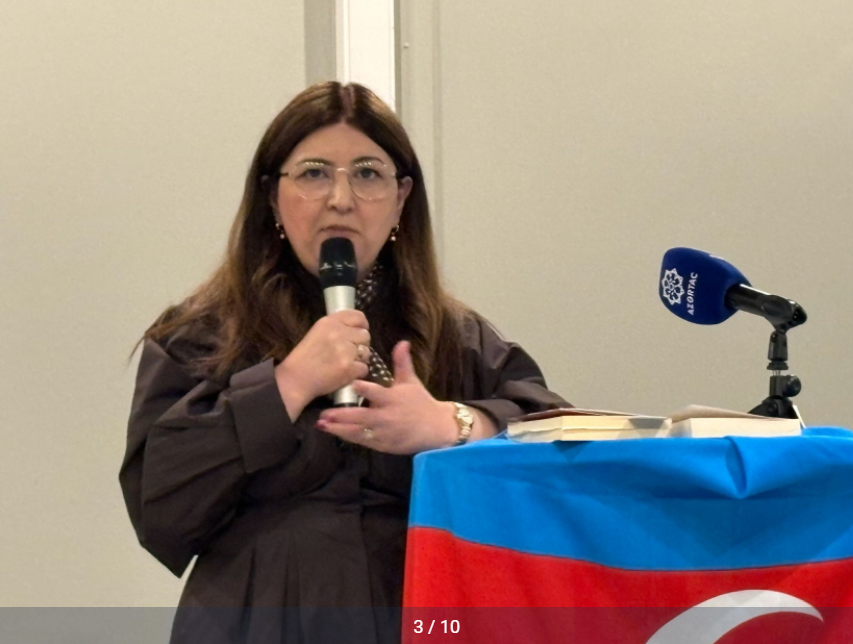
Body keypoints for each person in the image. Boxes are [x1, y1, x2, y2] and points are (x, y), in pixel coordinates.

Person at [120, 81, 570, 644]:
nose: (341, 198)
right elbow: (160, 512)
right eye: (313, 173)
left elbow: (559, 444)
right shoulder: (201, 336)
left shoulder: (455, 337)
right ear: (272, 197)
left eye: (367, 174)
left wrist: (451, 425)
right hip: (255, 621)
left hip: (422, 616)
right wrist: (287, 385)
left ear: (401, 199)